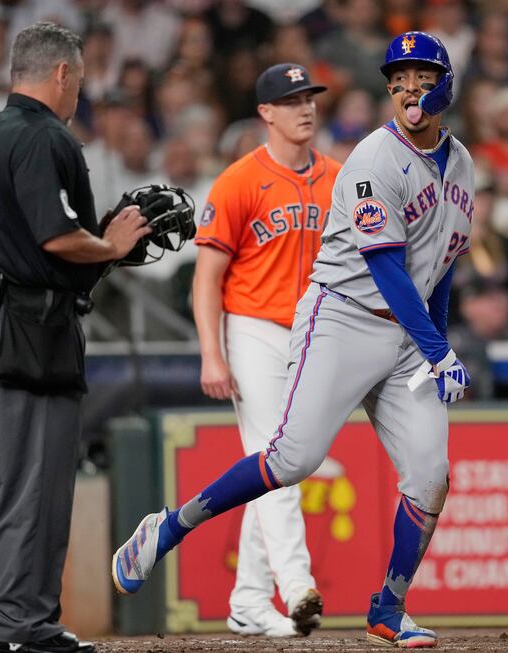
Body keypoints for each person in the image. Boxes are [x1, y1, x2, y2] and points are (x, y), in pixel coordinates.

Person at [113, 31, 475, 649]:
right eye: (399, 77)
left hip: (406, 335)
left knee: (431, 474)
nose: (408, 87)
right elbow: (386, 268)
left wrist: (432, 343)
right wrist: (439, 352)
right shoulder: (372, 159)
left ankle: (388, 608)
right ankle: (168, 528)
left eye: (421, 75)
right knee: (291, 461)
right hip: (344, 316)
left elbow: (439, 264)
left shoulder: (463, 163)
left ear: (444, 83)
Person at [0, 22, 150, 653]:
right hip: (28, 330)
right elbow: (57, 239)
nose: (80, 94)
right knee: (32, 485)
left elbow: (43, 241)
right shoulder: (42, 137)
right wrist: (114, 243)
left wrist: (103, 248)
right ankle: (21, 625)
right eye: (81, 80)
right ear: (62, 73)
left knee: (3, 484)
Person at [192, 62, 339, 638]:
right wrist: (212, 352)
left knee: (276, 467)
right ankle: (297, 584)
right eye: (292, 98)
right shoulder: (238, 180)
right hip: (251, 327)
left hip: (312, 335)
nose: (305, 107)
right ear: (267, 113)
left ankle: (250, 600)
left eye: (310, 97)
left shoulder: (339, 178)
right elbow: (206, 278)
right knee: (280, 457)